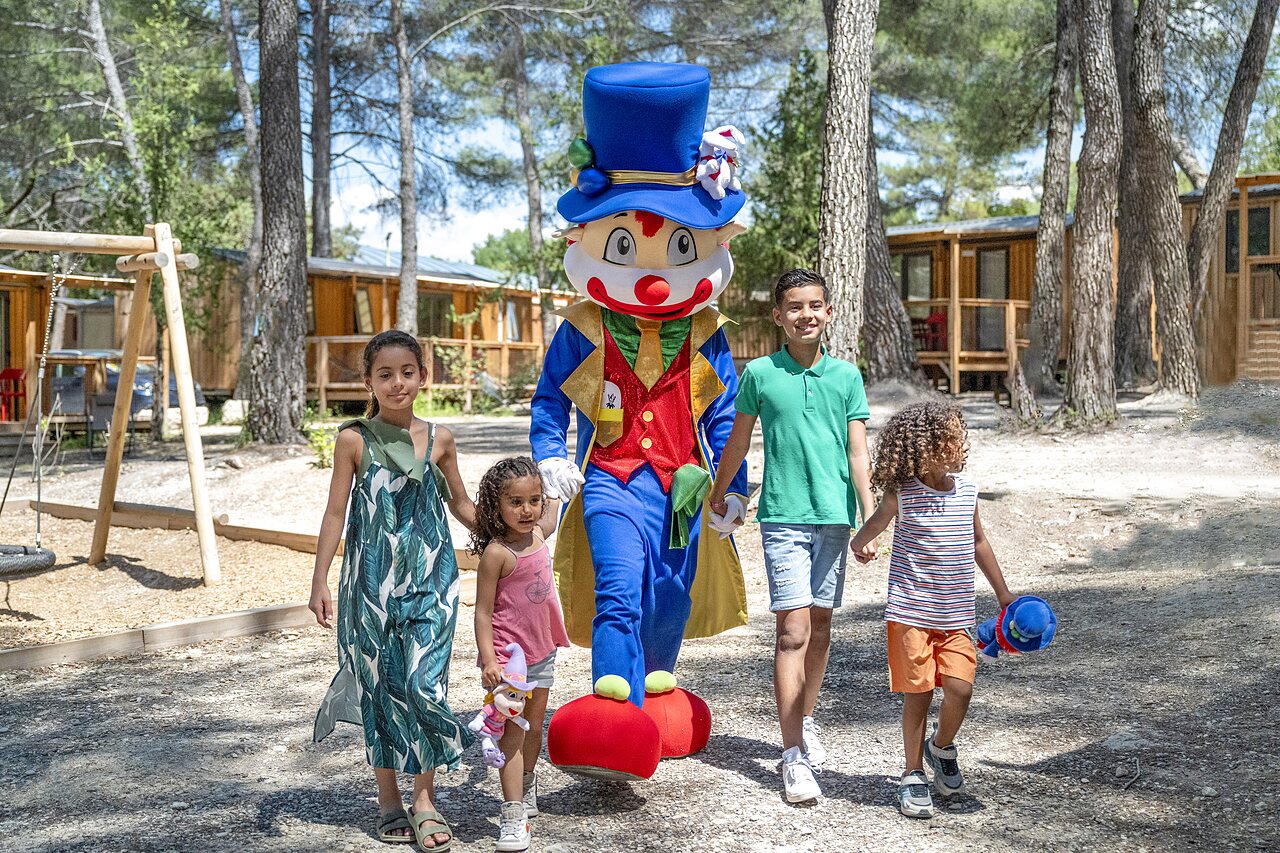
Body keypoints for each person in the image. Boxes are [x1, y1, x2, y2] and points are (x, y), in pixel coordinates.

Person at [707, 268, 876, 804]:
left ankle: (806, 719)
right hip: (781, 517)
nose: (806, 314)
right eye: (795, 307)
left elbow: (857, 454)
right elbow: (737, 442)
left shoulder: (847, 377)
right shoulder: (758, 373)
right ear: (778, 316)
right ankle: (793, 755)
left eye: (815, 305)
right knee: (792, 632)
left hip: (835, 517)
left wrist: (870, 518)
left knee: (822, 626)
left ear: (829, 313)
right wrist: (720, 491)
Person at [309, 329, 476, 850]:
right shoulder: (354, 439)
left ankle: (425, 798)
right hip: (369, 587)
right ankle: (389, 800)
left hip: (431, 582)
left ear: (423, 378)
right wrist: (319, 580)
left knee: (427, 686)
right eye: (385, 374)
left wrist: (517, 537)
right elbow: (336, 511)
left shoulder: (441, 438)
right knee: (380, 688)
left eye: (407, 372)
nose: (397, 383)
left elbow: (462, 505)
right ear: (368, 382)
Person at [850, 401, 1017, 819]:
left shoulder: (968, 492)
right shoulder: (902, 494)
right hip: (911, 614)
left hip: (957, 616)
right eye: (952, 439)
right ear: (924, 448)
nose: (962, 446)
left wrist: (1004, 595)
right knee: (919, 695)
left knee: (961, 688)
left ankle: (940, 748)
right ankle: (912, 774)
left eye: (961, 439)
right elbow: (876, 525)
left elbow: (979, 543)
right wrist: (859, 542)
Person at [469, 456, 569, 852]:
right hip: (509, 662)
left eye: (534, 500)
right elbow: (482, 611)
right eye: (515, 502)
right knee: (512, 729)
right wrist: (489, 660)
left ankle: (527, 782)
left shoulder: (541, 534)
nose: (526, 510)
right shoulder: (497, 554)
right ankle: (512, 814)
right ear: (496, 506)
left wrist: (559, 479)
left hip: (543, 651)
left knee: (535, 724)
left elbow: (556, 507)